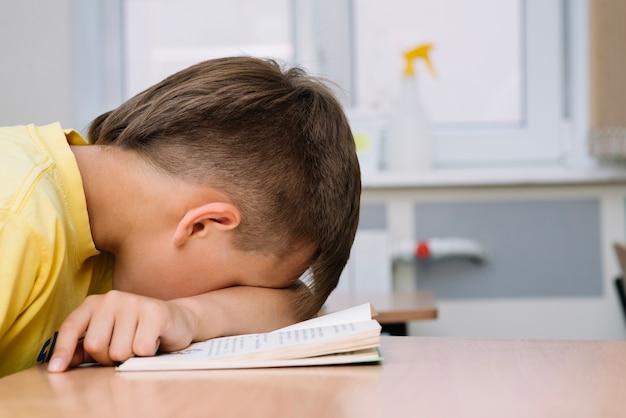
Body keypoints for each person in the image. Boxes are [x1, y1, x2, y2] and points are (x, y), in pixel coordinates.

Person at [0, 56, 361, 377]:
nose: (237, 296)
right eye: (235, 284)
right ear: (202, 225)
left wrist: (189, 316)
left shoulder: (120, 229)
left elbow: (293, 305)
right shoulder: (15, 218)